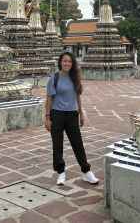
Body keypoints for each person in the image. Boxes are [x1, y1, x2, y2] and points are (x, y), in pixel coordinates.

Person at [45, 52, 99, 186]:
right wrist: (47, 117)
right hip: (57, 114)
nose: (67, 63)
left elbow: (78, 97)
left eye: (69, 61)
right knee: (57, 145)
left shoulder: (75, 78)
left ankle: (86, 171)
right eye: (64, 61)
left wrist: (81, 113)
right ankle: (61, 172)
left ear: (72, 63)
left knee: (78, 144)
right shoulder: (54, 78)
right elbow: (49, 98)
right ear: (60, 62)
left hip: (72, 115)